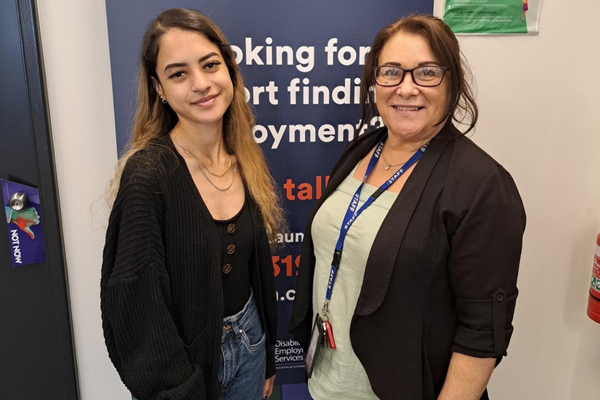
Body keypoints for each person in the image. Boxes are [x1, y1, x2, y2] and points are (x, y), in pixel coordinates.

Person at [289, 14, 526, 400]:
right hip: (328, 382)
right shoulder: (364, 149)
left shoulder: (482, 186)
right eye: (392, 72)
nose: (407, 89)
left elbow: (482, 333)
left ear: (452, 81)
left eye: (427, 73)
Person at [101, 8, 284, 400]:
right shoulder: (149, 175)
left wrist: (266, 356)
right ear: (159, 89)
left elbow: (254, 274)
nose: (201, 83)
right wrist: (178, 390)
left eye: (210, 64)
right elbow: (135, 305)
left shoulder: (242, 157)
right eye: (179, 73)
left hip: (250, 343)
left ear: (229, 70)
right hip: (184, 368)